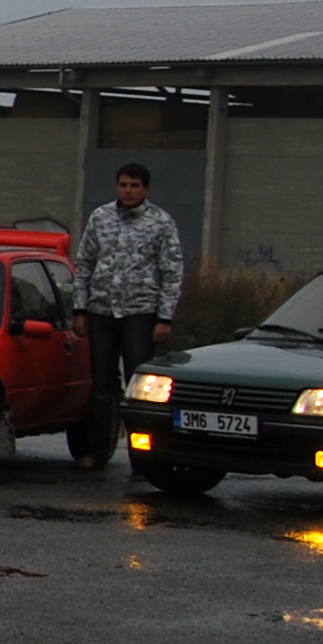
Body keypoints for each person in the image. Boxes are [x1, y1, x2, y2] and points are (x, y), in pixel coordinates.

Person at [66, 162, 183, 462]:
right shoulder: (100, 218)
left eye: (134, 186)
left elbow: (172, 272)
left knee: (139, 386)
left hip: (140, 314)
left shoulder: (161, 222)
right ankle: (97, 452)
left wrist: (164, 317)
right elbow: (85, 264)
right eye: (123, 185)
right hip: (102, 312)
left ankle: (142, 457)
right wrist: (80, 309)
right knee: (102, 386)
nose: (128, 191)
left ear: (146, 189)